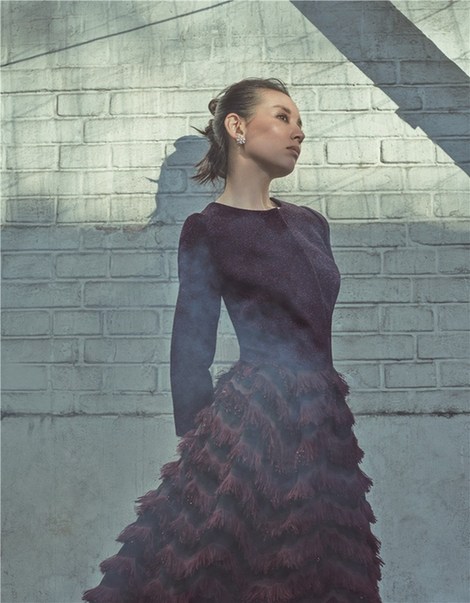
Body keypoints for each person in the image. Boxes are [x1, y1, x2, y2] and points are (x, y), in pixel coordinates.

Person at [83, 78, 383, 603]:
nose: (298, 131)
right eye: (282, 117)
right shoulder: (209, 228)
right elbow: (190, 347)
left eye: (299, 121)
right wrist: (202, 451)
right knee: (218, 567)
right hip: (253, 423)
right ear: (237, 126)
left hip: (324, 422)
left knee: (323, 574)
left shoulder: (312, 223)